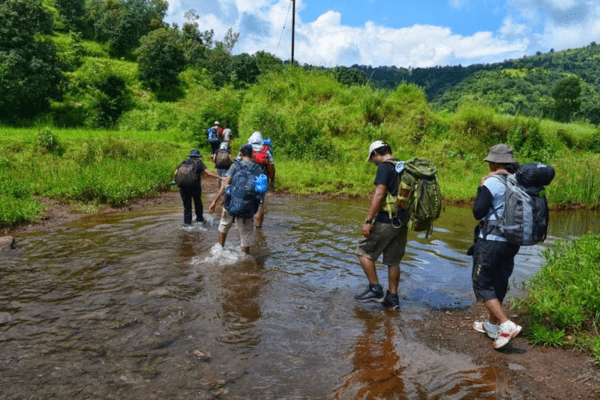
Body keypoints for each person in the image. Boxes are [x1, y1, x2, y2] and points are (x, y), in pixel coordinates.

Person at [471, 144, 522, 349]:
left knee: (481, 282)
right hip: (513, 240)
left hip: (491, 240)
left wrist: (481, 187)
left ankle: (505, 324)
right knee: (499, 280)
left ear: (493, 162)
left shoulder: (492, 182)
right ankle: (491, 325)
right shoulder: (518, 181)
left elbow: (478, 211)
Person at [354, 141, 409, 310]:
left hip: (387, 219)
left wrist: (368, 221)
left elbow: (379, 194)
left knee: (363, 251)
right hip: (403, 221)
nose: (374, 162)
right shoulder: (404, 166)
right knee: (393, 261)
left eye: (373, 158)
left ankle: (375, 288)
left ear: (376, 153)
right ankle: (392, 297)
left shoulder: (385, 167)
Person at [209, 144, 263, 254]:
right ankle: (244, 257)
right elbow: (261, 189)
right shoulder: (257, 168)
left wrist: (215, 201)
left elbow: (225, 184)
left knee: (224, 224)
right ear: (252, 154)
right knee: (246, 232)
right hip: (248, 204)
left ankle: (220, 248)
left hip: (231, 202)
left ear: (241, 153)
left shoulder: (235, 165)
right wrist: (258, 204)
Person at [173, 149, 221, 226]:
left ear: (190, 156)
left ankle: (187, 224)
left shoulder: (183, 162)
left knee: (187, 207)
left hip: (183, 187)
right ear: (198, 156)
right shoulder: (199, 163)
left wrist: (175, 181)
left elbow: (175, 173)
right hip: (195, 187)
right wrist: (220, 177)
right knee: (197, 202)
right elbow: (208, 173)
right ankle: (200, 220)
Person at [247, 131, 275, 228]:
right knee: (261, 203)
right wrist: (272, 181)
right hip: (261, 179)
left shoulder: (246, 149)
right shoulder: (266, 150)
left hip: (248, 179)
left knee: (247, 200)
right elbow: (272, 167)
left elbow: (237, 164)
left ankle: (246, 226)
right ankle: (258, 228)